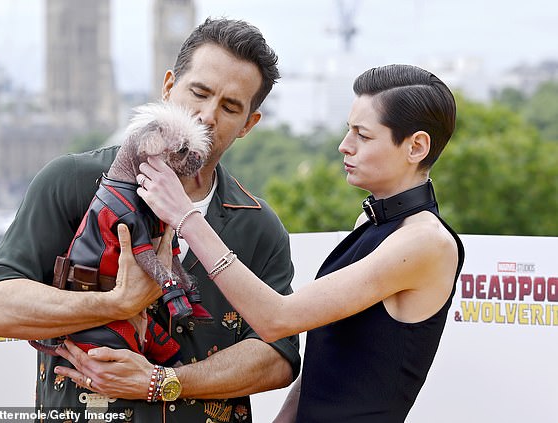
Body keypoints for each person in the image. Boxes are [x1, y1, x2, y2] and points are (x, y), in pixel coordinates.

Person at [0, 18, 300, 422]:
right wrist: (116, 302)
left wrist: (163, 381)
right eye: (198, 92)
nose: (208, 115)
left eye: (230, 107)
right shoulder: (73, 182)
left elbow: (278, 358)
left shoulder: (258, 226)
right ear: (167, 87)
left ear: (249, 124)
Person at [135, 64, 465, 422]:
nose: (344, 146)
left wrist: (186, 216)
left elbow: (277, 319)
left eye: (363, 135)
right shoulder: (373, 225)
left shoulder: (425, 243)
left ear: (416, 146)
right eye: (347, 130)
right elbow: (329, 362)